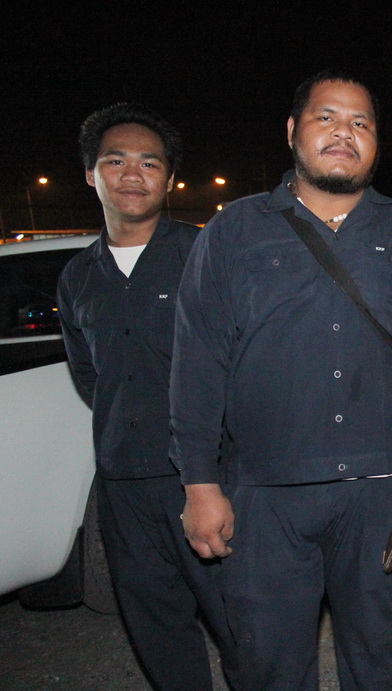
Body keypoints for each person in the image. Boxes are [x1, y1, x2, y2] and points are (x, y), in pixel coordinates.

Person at [169, 69, 392, 690]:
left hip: (384, 488)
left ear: (376, 142)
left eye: (360, 123)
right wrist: (199, 484)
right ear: (293, 131)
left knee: (384, 659)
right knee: (269, 661)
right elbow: (197, 362)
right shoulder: (234, 230)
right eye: (327, 118)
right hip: (267, 492)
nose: (344, 133)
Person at [57, 103, 229, 691]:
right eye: (116, 161)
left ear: (170, 178)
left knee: (244, 626)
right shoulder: (77, 277)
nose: (133, 174)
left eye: (150, 163)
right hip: (123, 484)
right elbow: (90, 375)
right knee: (157, 628)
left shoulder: (206, 256)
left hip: (206, 478)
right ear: (91, 174)